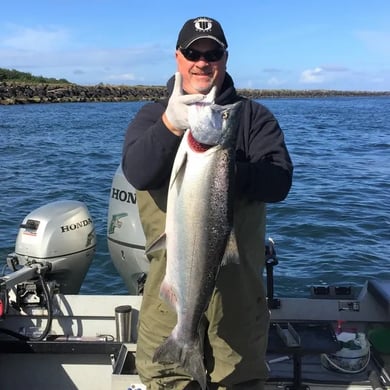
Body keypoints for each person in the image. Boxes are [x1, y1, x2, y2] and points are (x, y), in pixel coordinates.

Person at [122, 16, 293, 390]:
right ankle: (180, 345)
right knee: (169, 381)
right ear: (178, 57)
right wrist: (170, 124)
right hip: (171, 294)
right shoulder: (153, 116)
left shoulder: (251, 118)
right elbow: (138, 171)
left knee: (240, 380)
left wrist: (226, 168)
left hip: (239, 299)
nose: (203, 61)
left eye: (212, 52)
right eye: (193, 53)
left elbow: (279, 181)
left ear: (225, 58)